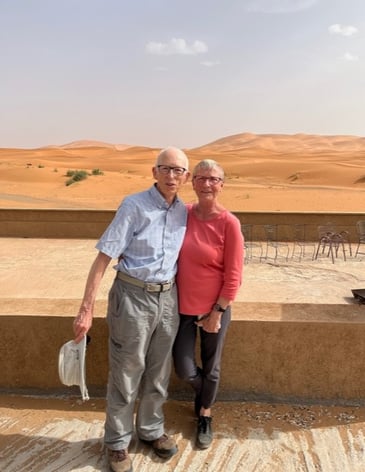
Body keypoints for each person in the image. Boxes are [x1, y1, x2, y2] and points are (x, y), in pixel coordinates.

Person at [73, 147, 190, 472]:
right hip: (132, 297)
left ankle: (151, 430)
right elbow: (104, 257)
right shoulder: (134, 206)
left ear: (186, 177)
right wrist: (86, 309)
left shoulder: (183, 211)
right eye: (165, 169)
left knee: (158, 370)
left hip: (168, 299)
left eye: (178, 170)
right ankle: (117, 443)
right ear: (154, 172)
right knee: (126, 372)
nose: (171, 176)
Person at [173, 159, 243, 450]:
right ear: (193, 182)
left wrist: (218, 311)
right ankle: (206, 395)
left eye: (213, 179)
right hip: (182, 309)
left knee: (211, 366)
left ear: (222, 184)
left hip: (215, 309)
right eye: (201, 178)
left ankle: (205, 414)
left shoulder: (229, 223)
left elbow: (234, 275)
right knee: (184, 368)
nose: (206, 184)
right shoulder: (183, 213)